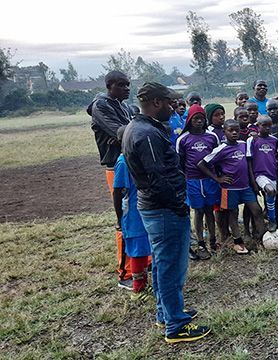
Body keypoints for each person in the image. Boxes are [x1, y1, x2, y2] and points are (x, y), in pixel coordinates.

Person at [121, 82, 211, 343]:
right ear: (156, 102)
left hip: (157, 208)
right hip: (163, 210)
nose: (173, 108)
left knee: (162, 264)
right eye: (170, 103)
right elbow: (158, 177)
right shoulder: (146, 133)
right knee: (171, 266)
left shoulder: (141, 128)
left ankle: (166, 313)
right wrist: (178, 203)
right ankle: (176, 325)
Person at [88, 70, 133, 290]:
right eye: (122, 85)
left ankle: (141, 262)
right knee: (124, 217)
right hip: (116, 165)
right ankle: (125, 273)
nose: (127, 89)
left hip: (129, 163)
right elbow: (121, 132)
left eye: (128, 85)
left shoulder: (122, 105)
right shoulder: (101, 106)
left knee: (136, 213)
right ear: (110, 85)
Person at [198, 119, 266, 255]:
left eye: (237, 130)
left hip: (245, 187)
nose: (235, 132)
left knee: (257, 210)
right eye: (231, 130)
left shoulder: (242, 144)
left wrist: (253, 184)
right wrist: (217, 178)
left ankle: (263, 239)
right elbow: (201, 164)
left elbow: (248, 164)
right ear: (224, 132)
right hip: (229, 189)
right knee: (232, 214)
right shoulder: (221, 149)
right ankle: (238, 242)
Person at [112, 125, 152, 301]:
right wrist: (120, 217)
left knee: (145, 246)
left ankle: (145, 281)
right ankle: (138, 287)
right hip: (133, 214)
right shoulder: (122, 162)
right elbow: (117, 192)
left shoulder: (140, 158)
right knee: (136, 249)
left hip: (146, 210)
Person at [176, 104, 221, 258]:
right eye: (195, 118)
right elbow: (180, 162)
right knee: (198, 211)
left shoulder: (212, 136)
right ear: (189, 120)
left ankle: (213, 241)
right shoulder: (183, 139)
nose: (199, 121)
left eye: (202, 118)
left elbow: (217, 157)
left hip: (210, 180)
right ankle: (201, 243)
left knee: (210, 210)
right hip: (193, 181)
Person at [247, 115, 278, 232]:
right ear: (257, 126)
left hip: (272, 175)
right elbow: (249, 161)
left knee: (271, 197)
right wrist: (253, 181)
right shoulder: (252, 140)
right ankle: (272, 220)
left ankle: (268, 215)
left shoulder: (274, 140)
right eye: (264, 125)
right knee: (270, 190)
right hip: (259, 175)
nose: (267, 128)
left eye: (269, 125)